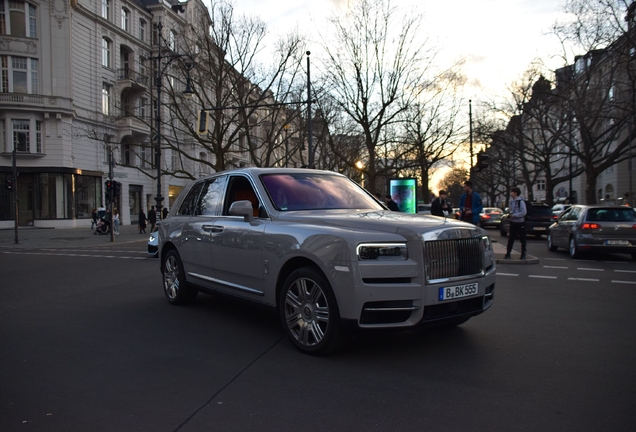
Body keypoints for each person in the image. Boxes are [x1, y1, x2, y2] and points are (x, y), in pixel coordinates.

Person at [505, 187, 527, 260]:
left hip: (520, 222)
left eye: (512, 192)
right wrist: (510, 214)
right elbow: (512, 210)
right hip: (513, 222)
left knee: (522, 239)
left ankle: (523, 254)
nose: (511, 193)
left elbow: (524, 212)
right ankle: (508, 253)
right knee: (511, 238)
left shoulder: (521, 201)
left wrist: (514, 215)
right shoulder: (511, 201)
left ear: (515, 193)